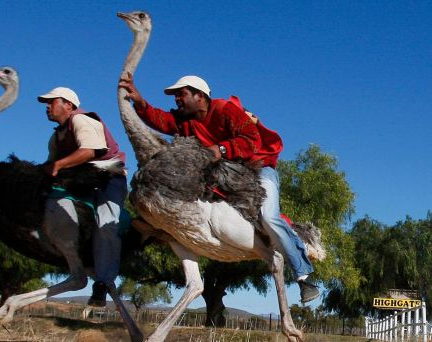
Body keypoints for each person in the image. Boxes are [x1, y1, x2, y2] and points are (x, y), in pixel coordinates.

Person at [119, 74, 320, 303]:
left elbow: (251, 139)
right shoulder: (187, 120)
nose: (177, 99)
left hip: (257, 169)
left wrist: (221, 150)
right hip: (221, 172)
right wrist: (140, 102)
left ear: (200, 96)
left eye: (181, 94)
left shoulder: (225, 110)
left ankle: (303, 275)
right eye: (176, 96)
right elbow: (162, 120)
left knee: (268, 216)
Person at [38, 87, 127, 307]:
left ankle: (103, 283)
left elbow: (90, 151)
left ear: (68, 105)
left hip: (109, 178)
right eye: (47, 103)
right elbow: (51, 169)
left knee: (106, 223)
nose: (48, 106)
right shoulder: (56, 137)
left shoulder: (82, 121)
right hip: (81, 182)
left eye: (52, 102)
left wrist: (57, 165)